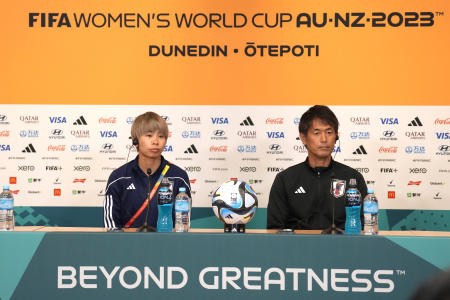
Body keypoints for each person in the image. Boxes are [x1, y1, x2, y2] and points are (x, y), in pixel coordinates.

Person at [267, 105, 367, 230]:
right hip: (297, 247)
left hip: (342, 247)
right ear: (303, 138)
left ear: (336, 137)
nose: (324, 139)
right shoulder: (285, 179)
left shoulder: (353, 178)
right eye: (317, 133)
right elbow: (274, 228)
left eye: (329, 132)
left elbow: (364, 225)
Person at [103, 112, 191, 229]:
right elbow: (111, 227)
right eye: (149, 135)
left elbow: (183, 225)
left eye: (161, 136)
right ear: (135, 140)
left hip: (169, 244)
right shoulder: (119, 177)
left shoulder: (179, 176)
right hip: (128, 245)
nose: (156, 141)